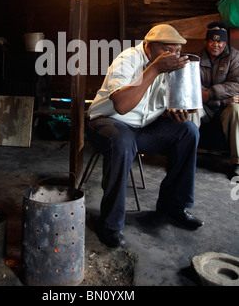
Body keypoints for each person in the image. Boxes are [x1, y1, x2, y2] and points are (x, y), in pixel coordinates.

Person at [86, 24, 204, 248]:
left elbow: (169, 105)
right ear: (148, 47)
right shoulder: (128, 59)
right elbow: (121, 105)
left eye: (177, 51)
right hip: (108, 123)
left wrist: (174, 113)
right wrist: (154, 69)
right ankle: (109, 224)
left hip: (144, 129)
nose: (173, 56)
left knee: (188, 132)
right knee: (121, 142)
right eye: (167, 50)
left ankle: (174, 206)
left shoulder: (173, 68)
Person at [190, 21, 239, 179]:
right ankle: (185, 159)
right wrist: (221, 99)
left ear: (225, 43)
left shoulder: (235, 57)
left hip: (225, 107)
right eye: (212, 40)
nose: (215, 44)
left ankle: (237, 162)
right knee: (191, 111)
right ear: (206, 42)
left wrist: (210, 94)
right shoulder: (196, 58)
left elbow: (236, 84)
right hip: (206, 106)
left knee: (237, 110)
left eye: (219, 41)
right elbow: (195, 89)